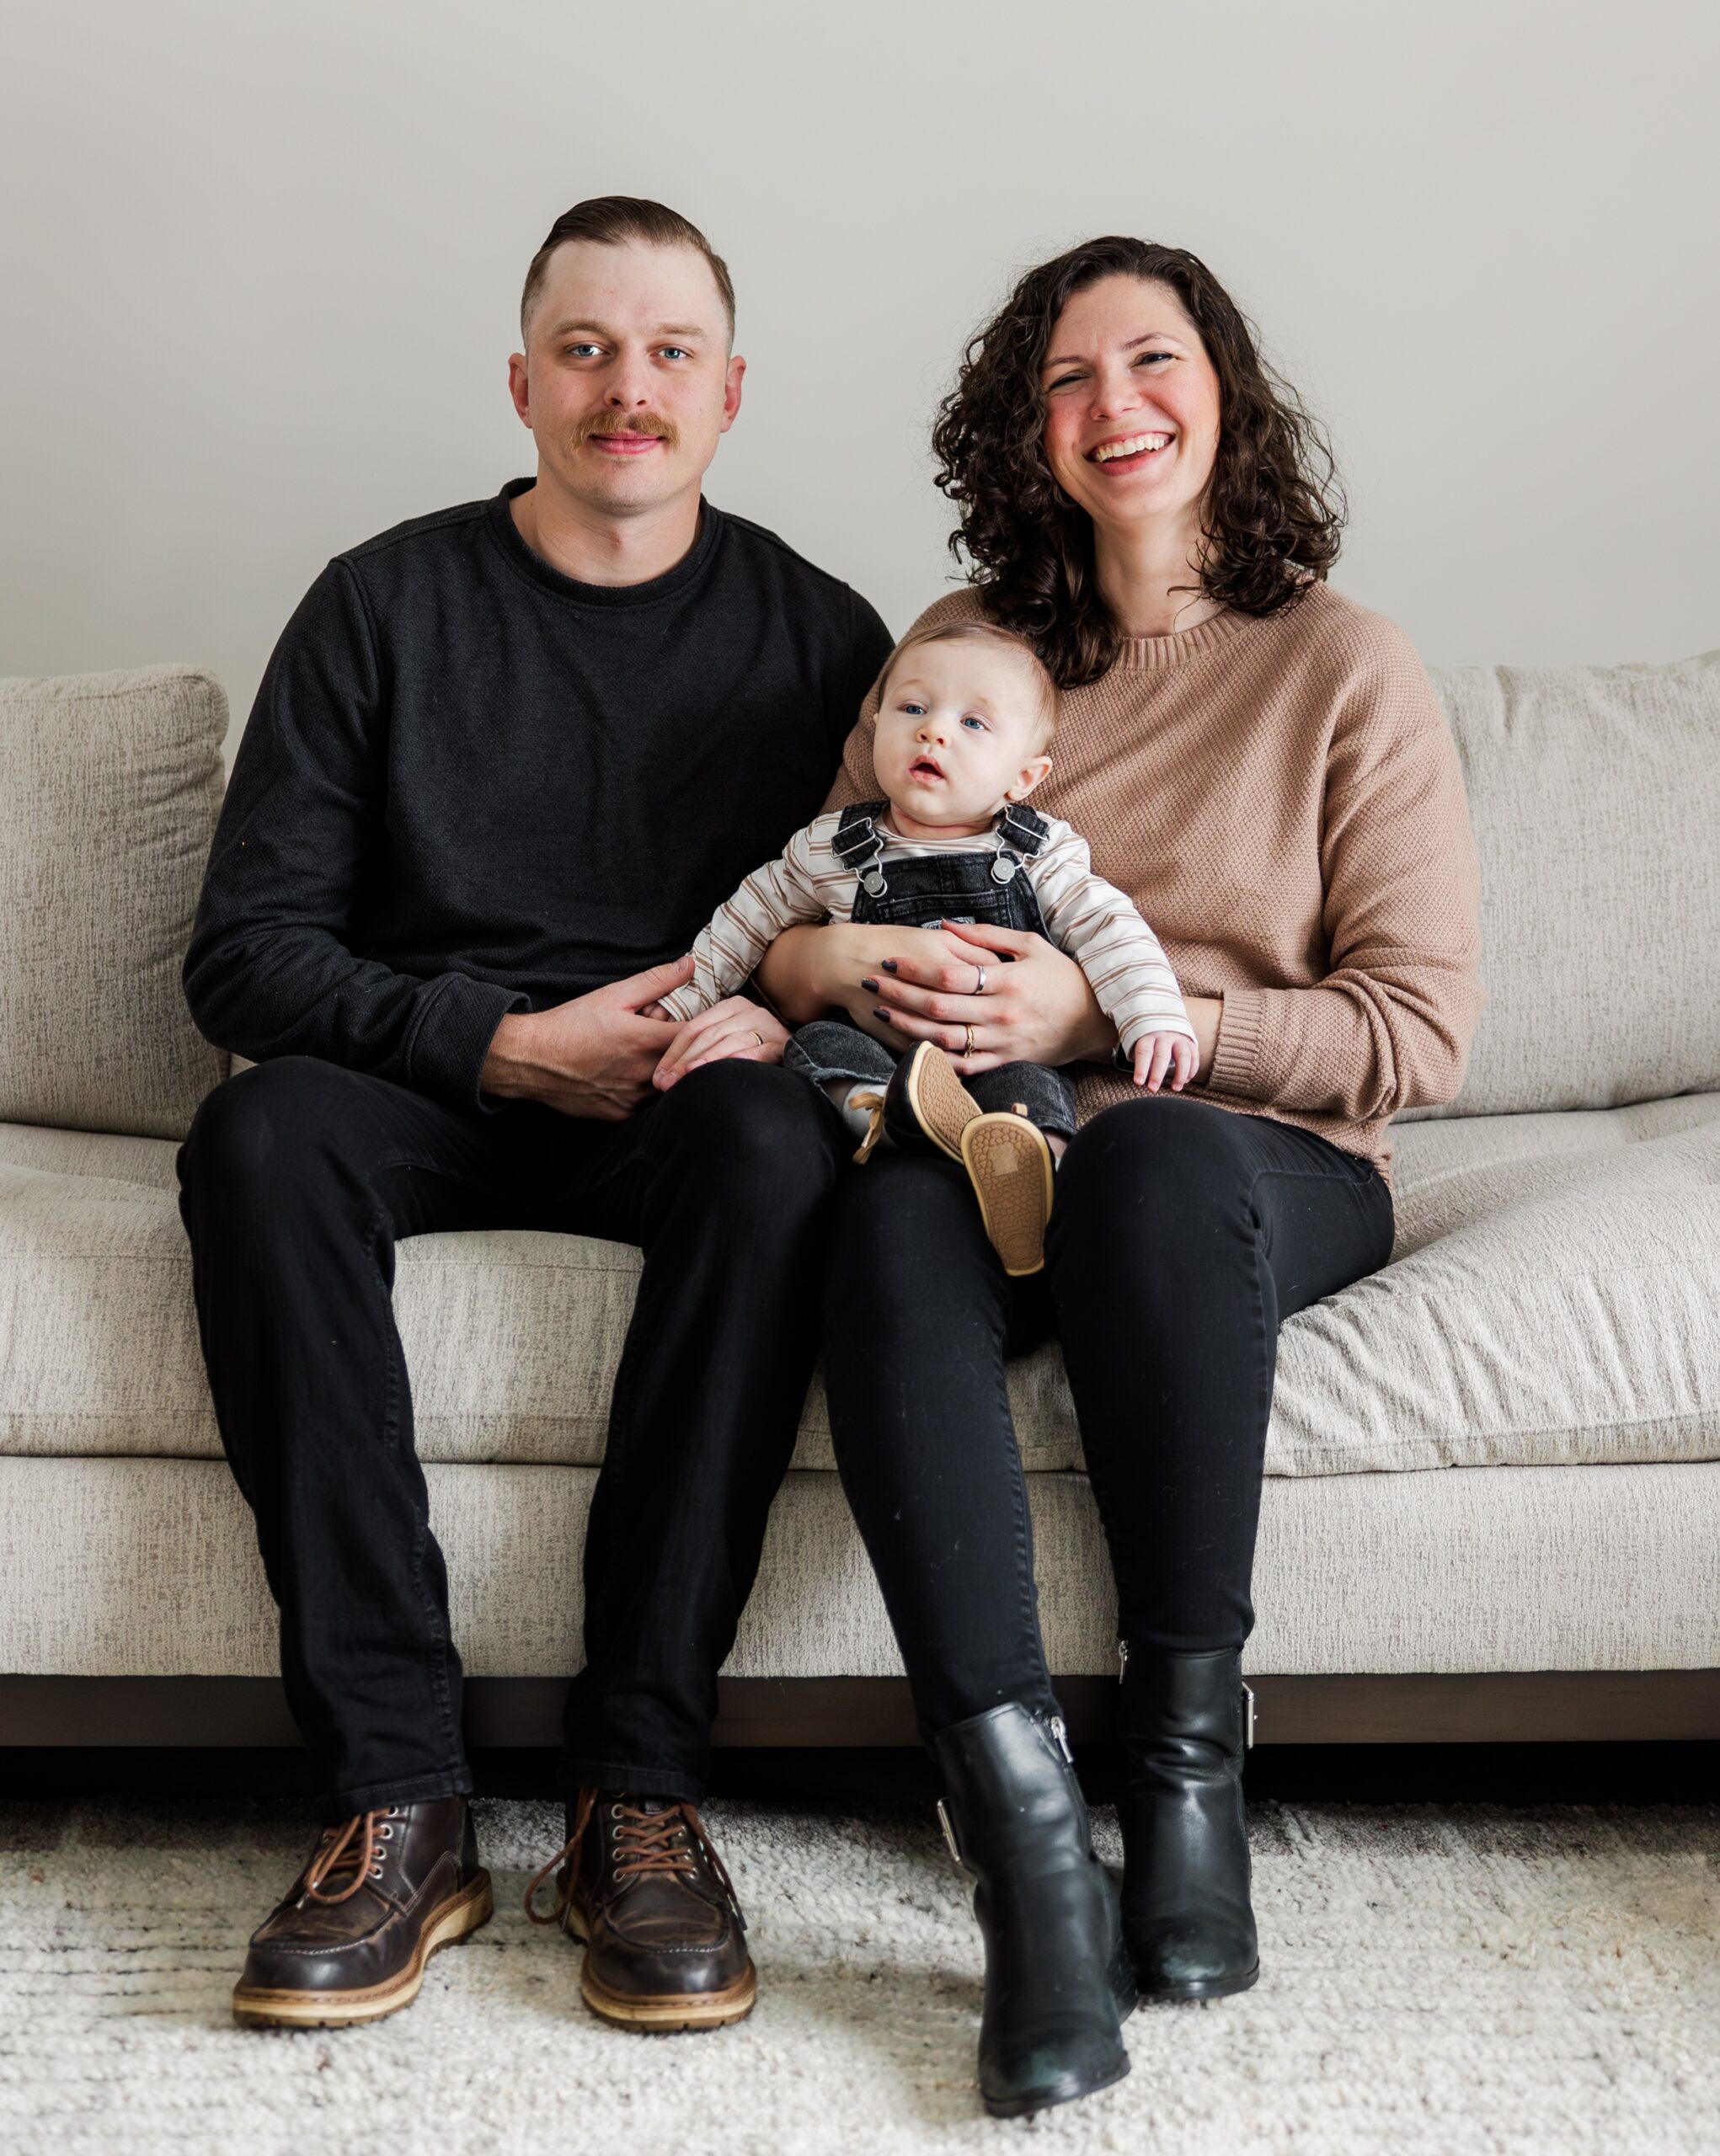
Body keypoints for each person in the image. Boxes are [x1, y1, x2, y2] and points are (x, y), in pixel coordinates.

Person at [751, 236, 1485, 2068]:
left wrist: (1110, 1024)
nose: (1113, 408)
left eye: (1150, 362)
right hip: (998, 1144)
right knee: (885, 1221)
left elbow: (1417, 1033)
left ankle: (1182, 1779)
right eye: (1067, 379)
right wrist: (830, 964)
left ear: (1224, 387)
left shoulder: (1343, 667)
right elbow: (814, 879)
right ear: (1030, 429)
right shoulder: (974, 662)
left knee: (1151, 1157)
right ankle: (1021, 1852)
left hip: (1245, 1162)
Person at [175, 196, 892, 2036]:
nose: (624, 390)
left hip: (678, 1089)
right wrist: (493, 1039)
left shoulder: (825, 637)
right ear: (521, 381)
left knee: (777, 1147)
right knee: (254, 1139)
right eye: (584, 349)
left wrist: (764, 1005)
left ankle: (631, 1795)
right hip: (431, 1070)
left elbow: (869, 920)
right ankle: (396, 1793)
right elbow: (243, 955)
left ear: (733, 392)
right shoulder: (381, 602)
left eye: (667, 354)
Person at [656, 615, 1198, 1273]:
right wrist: (683, 1000)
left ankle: (1033, 1174)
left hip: (993, 1055)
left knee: (1031, 1091)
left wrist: (1153, 1015)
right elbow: (746, 921)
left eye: (973, 724)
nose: (933, 729)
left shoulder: (1037, 854)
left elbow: (1112, 928)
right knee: (818, 1048)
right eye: (912, 707)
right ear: (876, 725)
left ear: (1023, 777)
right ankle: (881, 1117)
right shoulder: (833, 848)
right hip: (878, 1049)